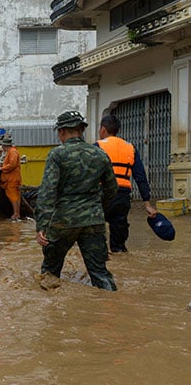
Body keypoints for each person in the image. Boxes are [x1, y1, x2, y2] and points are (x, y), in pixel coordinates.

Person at [35, 111, 118, 291]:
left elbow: (47, 192)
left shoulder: (57, 154)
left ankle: (49, 315)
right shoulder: (100, 155)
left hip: (63, 221)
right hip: (93, 220)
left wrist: (42, 225)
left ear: (62, 131)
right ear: (81, 130)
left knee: (50, 272)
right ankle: (113, 310)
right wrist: (96, 208)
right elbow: (112, 188)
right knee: (100, 273)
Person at [95, 114, 158, 253]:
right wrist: (147, 204)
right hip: (122, 197)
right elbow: (140, 176)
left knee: (95, 235)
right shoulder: (130, 148)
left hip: (102, 195)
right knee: (119, 241)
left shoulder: (97, 146)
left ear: (103, 129)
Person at [0, 134, 22, 221]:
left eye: (2, 145)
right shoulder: (12, 151)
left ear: (5, 145)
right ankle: (17, 214)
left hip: (12, 178)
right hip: (13, 178)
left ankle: (16, 214)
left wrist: (2, 168)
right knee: (16, 196)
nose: (2, 147)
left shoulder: (12, 152)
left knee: (13, 196)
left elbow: (12, 164)